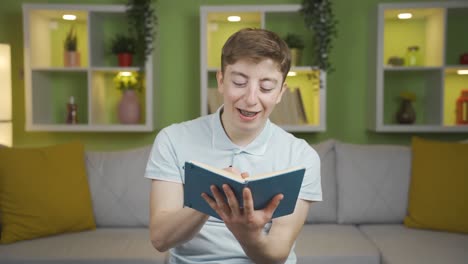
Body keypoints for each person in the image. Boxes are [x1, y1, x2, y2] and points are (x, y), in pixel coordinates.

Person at [145, 28, 322, 264]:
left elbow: (277, 253)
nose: (250, 98)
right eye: (239, 82)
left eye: (266, 87)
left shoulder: (301, 156)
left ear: (281, 92)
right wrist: (212, 196)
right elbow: (160, 239)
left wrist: (247, 235)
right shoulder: (172, 139)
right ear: (221, 81)